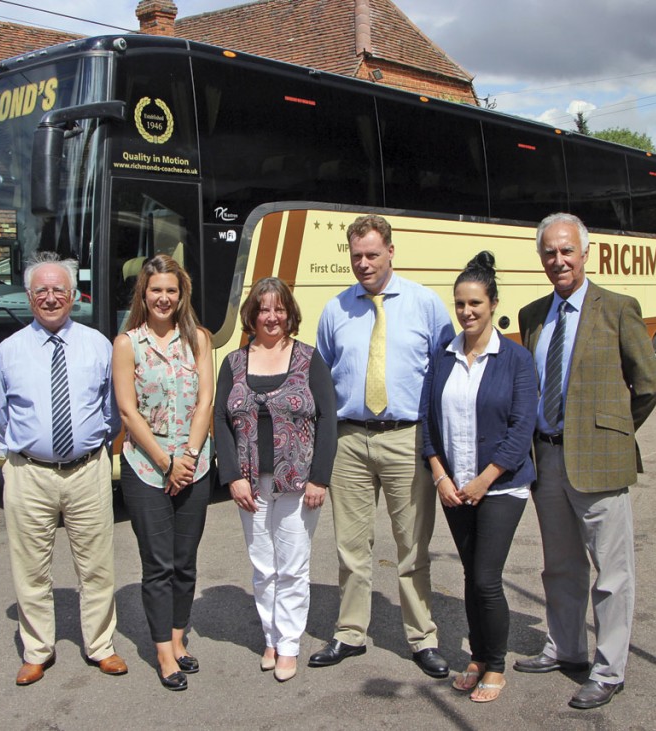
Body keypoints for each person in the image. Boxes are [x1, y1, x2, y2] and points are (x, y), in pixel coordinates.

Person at [514, 213, 656, 710]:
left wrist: (613, 435)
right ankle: (566, 648)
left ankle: (608, 670)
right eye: (549, 253)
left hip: (599, 462)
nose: (558, 260)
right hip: (548, 460)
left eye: (566, 251)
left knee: (612, 574)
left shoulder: (619, 309)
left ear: (585, 254)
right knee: (558, 566)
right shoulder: (532, 315)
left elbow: (648, 385)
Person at [311, 214, 455, 678]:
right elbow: (323, 380)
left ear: (391, 251)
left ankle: (421, 638)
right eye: (356, 256)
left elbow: (446, 374)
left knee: (412, 547)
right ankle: (350, 632)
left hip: (406, 440)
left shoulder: (426, 305)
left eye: (372, 254)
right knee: (351, 546)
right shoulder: (336, 310)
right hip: (349, 439)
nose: (364, 264)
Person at [0, 252, 127, 686]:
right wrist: (23, 457)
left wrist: (93, 448)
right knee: (30, 568)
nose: (50, 298)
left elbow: (112, 412)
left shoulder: (98, 345)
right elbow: (0, 418)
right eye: (41, 291)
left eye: (59, 290)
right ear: (30, 296)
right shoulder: (8, 352)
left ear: (74, 295)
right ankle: (37, 651)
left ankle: (101, 646)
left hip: (87, 470)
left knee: (97, 566)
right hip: (29, 473)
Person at [421, 251, 538, 703]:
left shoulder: (515, 359)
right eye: (460, 305)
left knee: (487, 578)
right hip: (455, 488)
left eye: (475, 304)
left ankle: (496, 664)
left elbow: (520, 429)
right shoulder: (444, 355)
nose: (467, 313)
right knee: (471, 574)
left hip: (501, 486)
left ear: (492, 304)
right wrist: (440, 476)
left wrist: (483, 480)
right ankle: (476, 654)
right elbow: (427, 421)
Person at [214, 277, 337, 683]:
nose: (271, 316)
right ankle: (270, 636)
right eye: (264, 309)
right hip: (250, 482)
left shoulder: (307, 358)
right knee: (263, 566)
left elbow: (327, 420)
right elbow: (220, 419)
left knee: (293, 566)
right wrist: (232, 476)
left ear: (290, 313)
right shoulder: (234, 362)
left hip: (299, 482)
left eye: (279, 309)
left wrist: (320, 477)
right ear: (252, 313)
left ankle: (288, 645)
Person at [112, 254, 214, 692]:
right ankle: (162, 652)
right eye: (156, 289)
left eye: (171, 290)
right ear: (144, 293)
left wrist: (187, 457)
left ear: (181, 293)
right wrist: (166, 461)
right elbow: (127, 411)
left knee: (185, 562)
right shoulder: (127, 343)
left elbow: (206, 401)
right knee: (157, 565)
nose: (164, 297)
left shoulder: (200, 340)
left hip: (195, 465)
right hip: (145, 468)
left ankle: (178, 638)